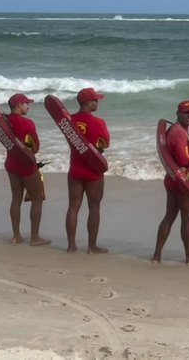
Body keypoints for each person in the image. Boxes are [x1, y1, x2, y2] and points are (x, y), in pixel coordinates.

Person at [152, 100, 189, 264]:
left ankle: (157, 256)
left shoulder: (176, 130)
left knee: (169, 217)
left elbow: (179, 155)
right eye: (186, 113)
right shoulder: (179, 132)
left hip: (172, 178)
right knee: (187, 220)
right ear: (178, 113)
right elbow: (183, 160)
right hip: (183, 181)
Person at [65, 87, 110, 254]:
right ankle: (92, 246)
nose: (97, 102)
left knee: (73, 207)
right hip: (93, 171)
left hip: (75, 168)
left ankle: (71, 246)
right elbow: (105, 144)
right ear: (87, 102)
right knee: (94, 208)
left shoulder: (69, 120)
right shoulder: (98, 122)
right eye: (95, 100)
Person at [5, 93, 50, 247]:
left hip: (11, 164)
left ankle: (16, 236)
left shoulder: (5, 122)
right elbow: (35, 147)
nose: (28, 106)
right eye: (25, 104)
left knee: (16, 199)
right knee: (37, 199)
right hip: (26, 165)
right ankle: (35, 237)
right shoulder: (27, 123)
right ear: (18, 106)